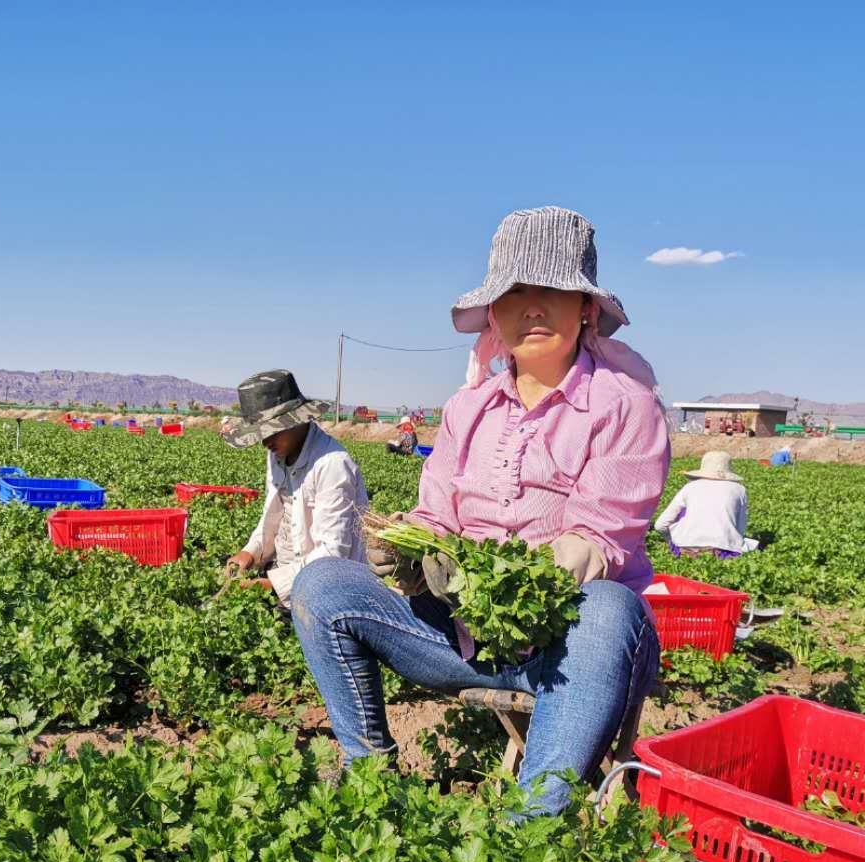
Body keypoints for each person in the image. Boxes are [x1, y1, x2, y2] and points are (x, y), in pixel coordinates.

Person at [290, 207, 669, 815]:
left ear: (586, 309)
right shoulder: (468, 409)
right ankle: (372, 781)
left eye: (552, 290)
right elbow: (436, 514)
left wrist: (546, 563)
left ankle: (532, 827)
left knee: (610, 606)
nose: (533, 307)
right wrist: (412, 547)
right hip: (457, 640)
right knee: (322, 583)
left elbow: (599, 536)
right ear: (494, 314)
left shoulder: (626, 406)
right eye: (515, 293)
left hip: (568, 650)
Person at [221, 369, 369, 611]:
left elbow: (332, 556)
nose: (264, 442)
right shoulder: (278, 452)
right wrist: (249, 553)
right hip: (282, 571)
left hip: (325, 592)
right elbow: (273, 518)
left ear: (296, 419)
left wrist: (269, 585)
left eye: (270, 431)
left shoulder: (332, 465)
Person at [653, 451, 757, 558]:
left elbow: (660, 525)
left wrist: (671, 541)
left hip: (684, 550)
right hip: (722, 551)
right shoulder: (739, 490)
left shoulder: (690, 487)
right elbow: (741, 527)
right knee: (753, 545)